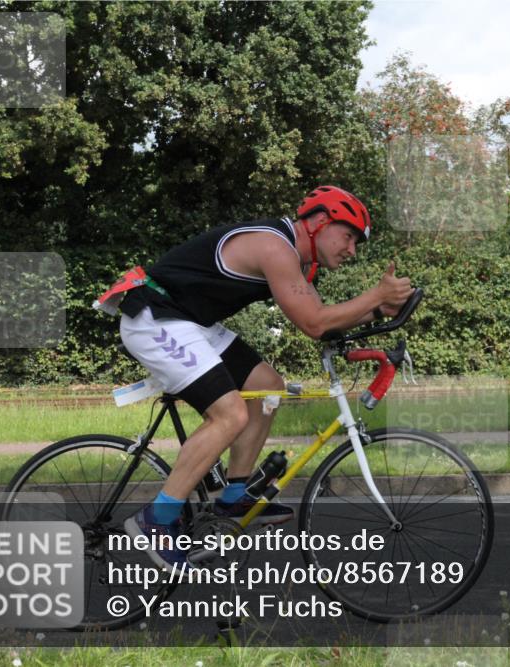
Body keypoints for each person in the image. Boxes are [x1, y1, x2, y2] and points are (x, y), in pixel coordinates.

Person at [115, 186, 414, 569]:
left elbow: (323, 322)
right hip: (154, 318)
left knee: (267, 385)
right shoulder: (274, 247)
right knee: (231, 415)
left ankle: (234, 495)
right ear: (320, 221)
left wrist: (377, 313)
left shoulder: (299, 262)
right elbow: (313, 323)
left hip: (190, 322)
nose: (352, 250)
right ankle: (157, 518)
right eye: (349, 236)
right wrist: (375, 296)